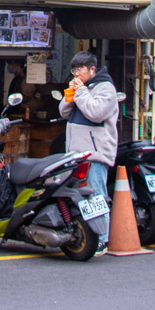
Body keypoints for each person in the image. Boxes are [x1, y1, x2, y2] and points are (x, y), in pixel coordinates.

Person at [58, 51, 119, 256]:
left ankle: (102, 239)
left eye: (79, 70)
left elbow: (96, 112)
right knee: (79, 198)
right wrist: (71, 95)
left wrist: (81, 93)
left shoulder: (106, 88)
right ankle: (86, 238)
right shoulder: (82, 88)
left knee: (96, 196)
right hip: (76, 155)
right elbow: (64, 112)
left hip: (95, 155)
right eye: (73, 70)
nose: (75, 74)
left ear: (92, 70)